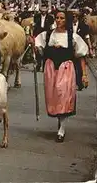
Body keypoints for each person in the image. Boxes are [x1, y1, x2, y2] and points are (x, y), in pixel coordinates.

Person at [34, 11, 89, 142]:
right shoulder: (47, 35)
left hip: (66, 68)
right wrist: (35, 48)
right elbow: (40, 50)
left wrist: (84, 75)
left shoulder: (73, 37)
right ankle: (60, 120)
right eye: (57, 18)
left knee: (64, 95)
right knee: (54, 97)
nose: (58, 20)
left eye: (62, 18)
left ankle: (62, 129)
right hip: (51, 68)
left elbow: (81, 56)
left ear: (67, 20)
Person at [71, 9, 92, 90]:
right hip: (72, 49)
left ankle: (80, 83)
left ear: (78, 17)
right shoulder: (68, 26)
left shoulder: (83, 26)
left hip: (80, 48)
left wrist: (90, 48)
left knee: (80, 66)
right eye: (73, 17)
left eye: (75, 16)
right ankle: (74, 82)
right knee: (73, 66)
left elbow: (87, 37)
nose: (74, 18)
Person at [33, 4, 55, 71]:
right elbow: (34, 25)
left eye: (44, 9)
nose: (43, 11)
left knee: (46, 50)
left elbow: (52, 27)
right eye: (42, 9)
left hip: (46, 34)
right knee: (38, 50)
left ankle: (44, 66)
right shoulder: (36, 16)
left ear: (47, 10)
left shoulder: (50, 17)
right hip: (38, 33)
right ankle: (38, 65)